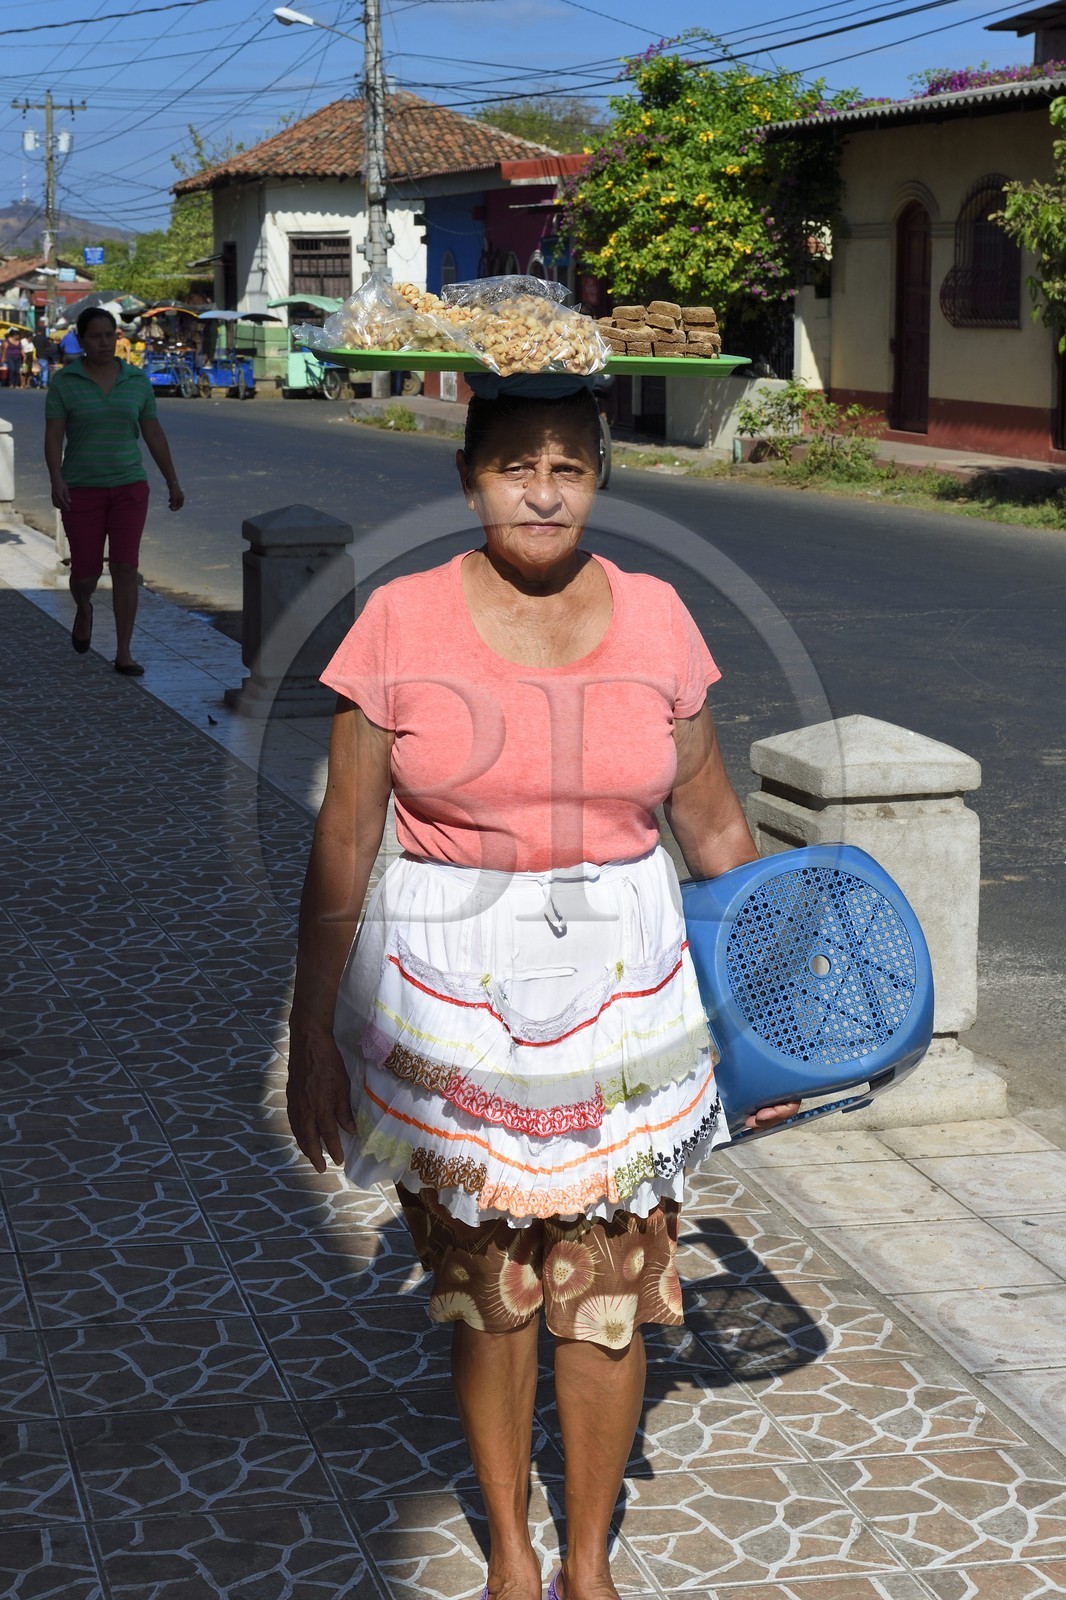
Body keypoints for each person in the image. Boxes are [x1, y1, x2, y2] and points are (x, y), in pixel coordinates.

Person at [286, 378, 799, 1600]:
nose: (543, 487)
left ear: (599, 482)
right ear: (469, 479)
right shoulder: (400, 623)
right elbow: (346, 841)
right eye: (517, 463)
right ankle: (511, 1552)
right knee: (489, 1288)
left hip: (624, 988)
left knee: (611, 1283)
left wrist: (777, 997)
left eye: (569, 465)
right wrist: (313, 1030)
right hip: (454, 989)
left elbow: (715, 821)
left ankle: (585, 1560)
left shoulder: (660, 615)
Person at [44, 306, 184, 676]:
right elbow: (54, 434)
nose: (104, 343)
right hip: (82, 490)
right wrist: (56, 479)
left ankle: (124, 652)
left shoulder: (136, 380)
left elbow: (152, 432)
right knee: (86, 573)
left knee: (125, 567)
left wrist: (172, 479)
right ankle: (85, 607)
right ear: (82, 340)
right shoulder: (65, 382)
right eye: (95, 336)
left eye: (109, 335)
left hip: (129, 487)